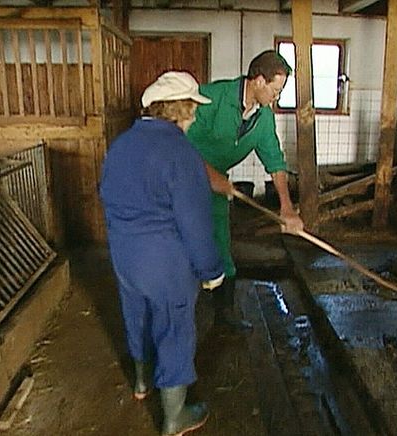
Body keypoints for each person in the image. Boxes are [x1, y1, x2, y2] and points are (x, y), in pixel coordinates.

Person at [99, 71, 225, 436]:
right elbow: (195, 222)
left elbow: (107, 193)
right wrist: (210, 269)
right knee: (173, 328)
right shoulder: (180, 153)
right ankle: (174, 418)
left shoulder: (120, 145)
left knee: (136, 315)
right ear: (180, 109)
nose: (196, 116)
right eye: (193, 108)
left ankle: (141, 384)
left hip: (124, 254)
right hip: (165, 262)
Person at [186, 50, 305, 331]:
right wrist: (212, 177)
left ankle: (224, 316)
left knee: (221, 246)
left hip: (217, 187)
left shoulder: (263, 118)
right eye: (275, 90)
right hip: (181, 182)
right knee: (180, 246)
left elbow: (275, 161)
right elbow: (179, 145)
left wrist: (286, 207)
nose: (277, 98)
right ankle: (177, 316)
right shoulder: (210, 98)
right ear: (258, 81)